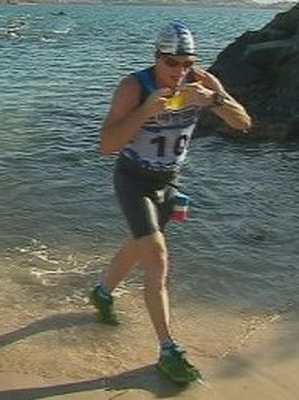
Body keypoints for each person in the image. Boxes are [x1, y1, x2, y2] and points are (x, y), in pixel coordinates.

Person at [91, 21, 251, 384]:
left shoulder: (202, 81)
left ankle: (102, 293)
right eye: (171, 63)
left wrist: (214, 99)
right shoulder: (134, 86)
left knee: (141, 244)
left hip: (168, 182)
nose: (179, 72)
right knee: (157, 256)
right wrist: (147, 110)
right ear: (156, 58)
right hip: (134, 179)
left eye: (186, 63)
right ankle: (168, 348)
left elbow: (243, 123)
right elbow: (106, 145)